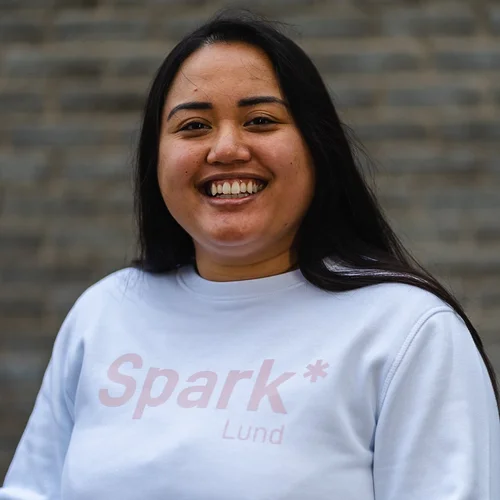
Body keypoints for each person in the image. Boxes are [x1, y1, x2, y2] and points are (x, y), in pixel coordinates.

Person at [1, 9, 499, 500]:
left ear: (317, 147)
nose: (225, 149)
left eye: (260, 120)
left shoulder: (406, 332)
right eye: (193, 126)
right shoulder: (105, 312)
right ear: (157, 158)